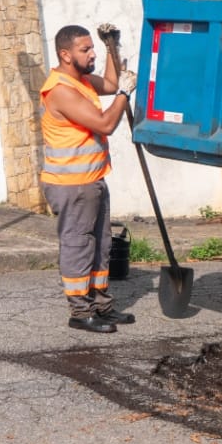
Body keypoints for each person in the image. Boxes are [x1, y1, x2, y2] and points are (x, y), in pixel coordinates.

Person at [39, 24, 137, 333]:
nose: (91, 53)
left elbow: (109, 82)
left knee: (101, 245)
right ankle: (80, 312)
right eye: (86, 49)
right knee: (79, 245)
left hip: (92, 180)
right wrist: (124, 92)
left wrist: (111, 47)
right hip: (71, 186)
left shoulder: (80, 81)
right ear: (65, 55)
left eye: (92, 47)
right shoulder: (61, 91)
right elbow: (105, 123)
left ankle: (102, 305)